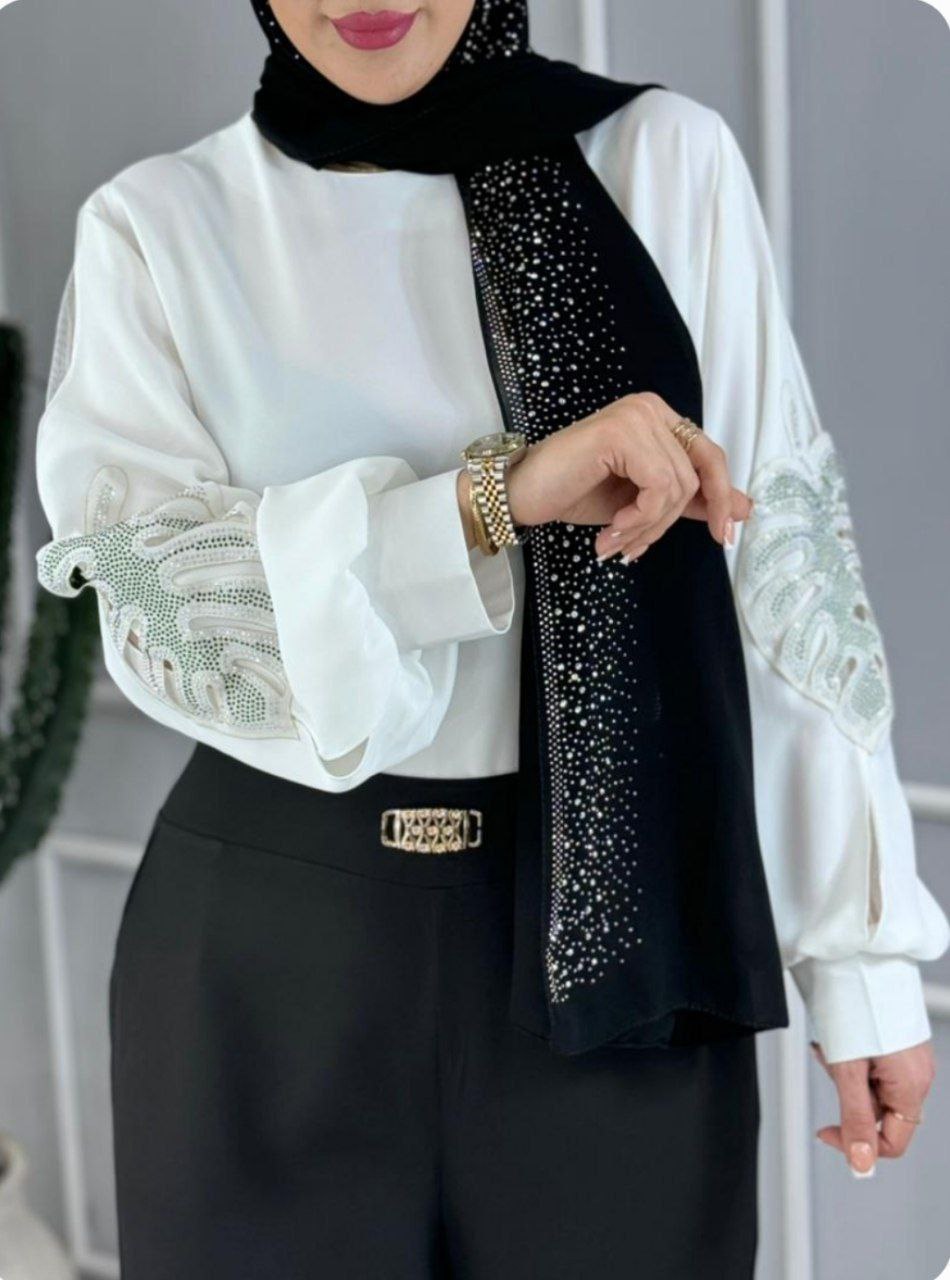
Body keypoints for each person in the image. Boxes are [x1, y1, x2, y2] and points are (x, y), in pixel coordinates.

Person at [33, 1, 949, 1276]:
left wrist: (858, 962)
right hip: (265, 952)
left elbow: (778, 554)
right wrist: (489, 500)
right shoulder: (156, 223)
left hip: (619, 933)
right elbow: (157, 599)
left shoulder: (659, 160)